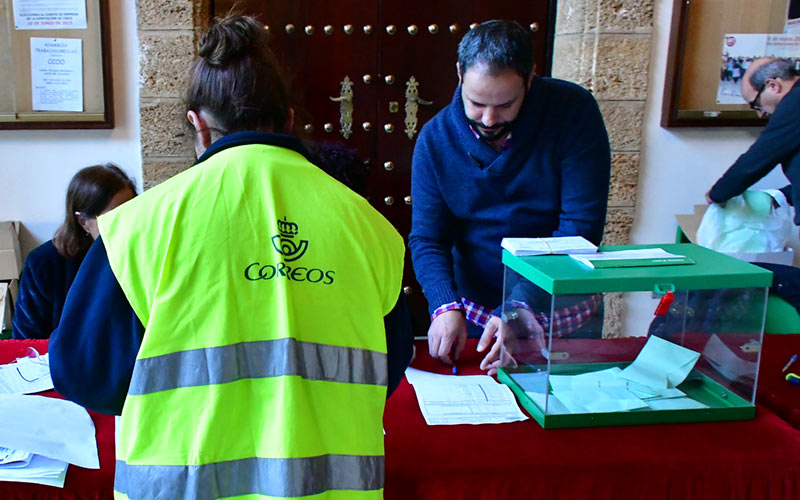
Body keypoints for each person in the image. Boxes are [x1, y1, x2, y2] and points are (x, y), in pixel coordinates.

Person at [48, 15, 411, 500]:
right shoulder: (370, 228)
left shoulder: (137, 226)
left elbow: (83, 373)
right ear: (288, 120)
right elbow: (386, 370)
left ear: (197, 125)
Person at [409, 19, 610, 375]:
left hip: (558, 302)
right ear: (459, 73)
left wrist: (517, 309)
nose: (488, 119)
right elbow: (428, 238)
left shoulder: (573, 112)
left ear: (530, 80)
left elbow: (579, 231)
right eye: (476, 103)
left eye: (504, 105)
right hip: (474, 309)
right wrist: (443, 305)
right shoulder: (435, 138)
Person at [11, 164, 136, 339]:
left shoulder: (142, 252)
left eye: (131, 213)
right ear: (83, 221)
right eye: (113, 218)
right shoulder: (44, 264)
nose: (126, 225)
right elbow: (27, 342)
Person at [706, 57, 800, 220]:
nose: (760, 113)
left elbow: (761, 156)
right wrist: (782, 196)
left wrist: (717, 194)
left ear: (773, 86)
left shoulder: (795, 102)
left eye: (756, 104)